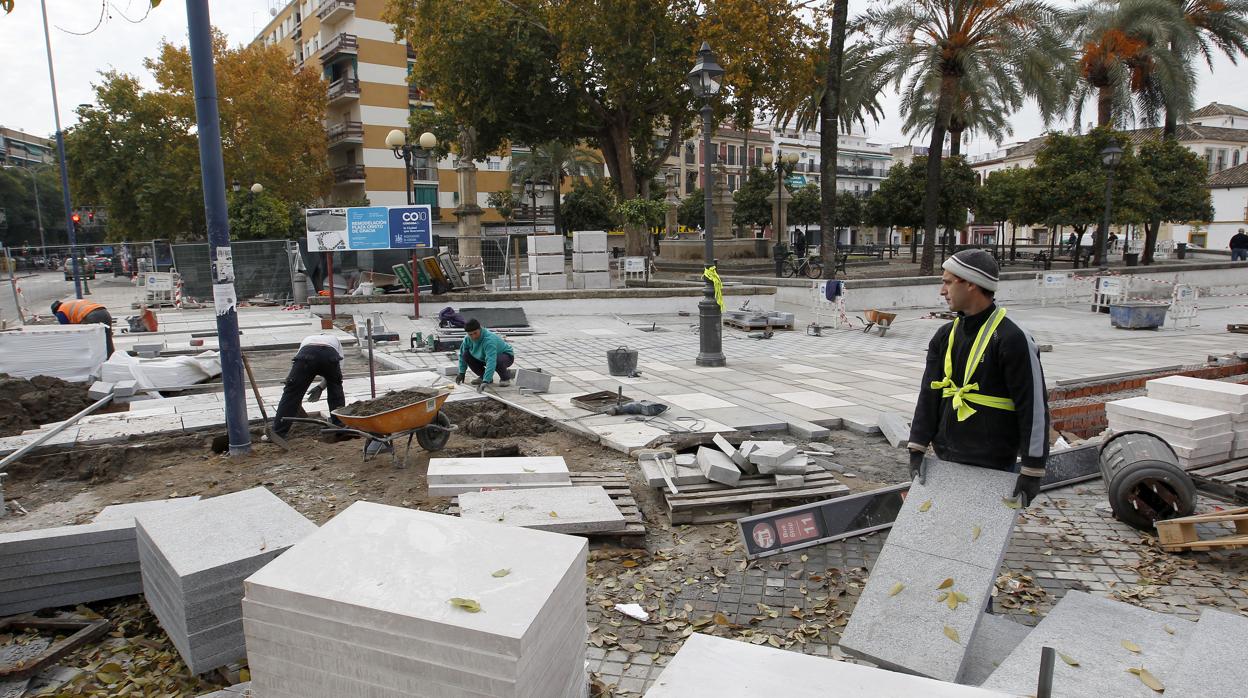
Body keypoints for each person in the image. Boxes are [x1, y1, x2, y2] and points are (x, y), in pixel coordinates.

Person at [907, 249, 1050, 508]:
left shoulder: (1012, 338)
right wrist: (917, 446)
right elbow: (929, 394)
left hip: (992, 462)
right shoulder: (945, 335)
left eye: (948, 282)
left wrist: (1033, 468)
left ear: (971, 283)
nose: (942, 290)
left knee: (980, 536)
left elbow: (1034, 407)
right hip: (947, 455)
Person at [272, 333, 345, 439]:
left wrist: (292, 383)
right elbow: (336, 377)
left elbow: (297, 364)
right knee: (336, 391)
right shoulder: (336, 342)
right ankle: (340, 428)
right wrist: (321, 387)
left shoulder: (307, 340)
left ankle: (278, 432)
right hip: (330, 356)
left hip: (306, 356)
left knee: (291, 394)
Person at [455, 318, 514, 389]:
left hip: (506, 356)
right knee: (466, 355)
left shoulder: (489, 340)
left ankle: (505, 377)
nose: (473, 336)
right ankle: (483, 376)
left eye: (475, 333)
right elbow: (462, 355)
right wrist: (461, 372)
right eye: (470, 334)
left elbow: (491, 360)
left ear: (480, 329)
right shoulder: (467, 339)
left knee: (497, 360)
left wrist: (486, 381)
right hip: (484, 358)